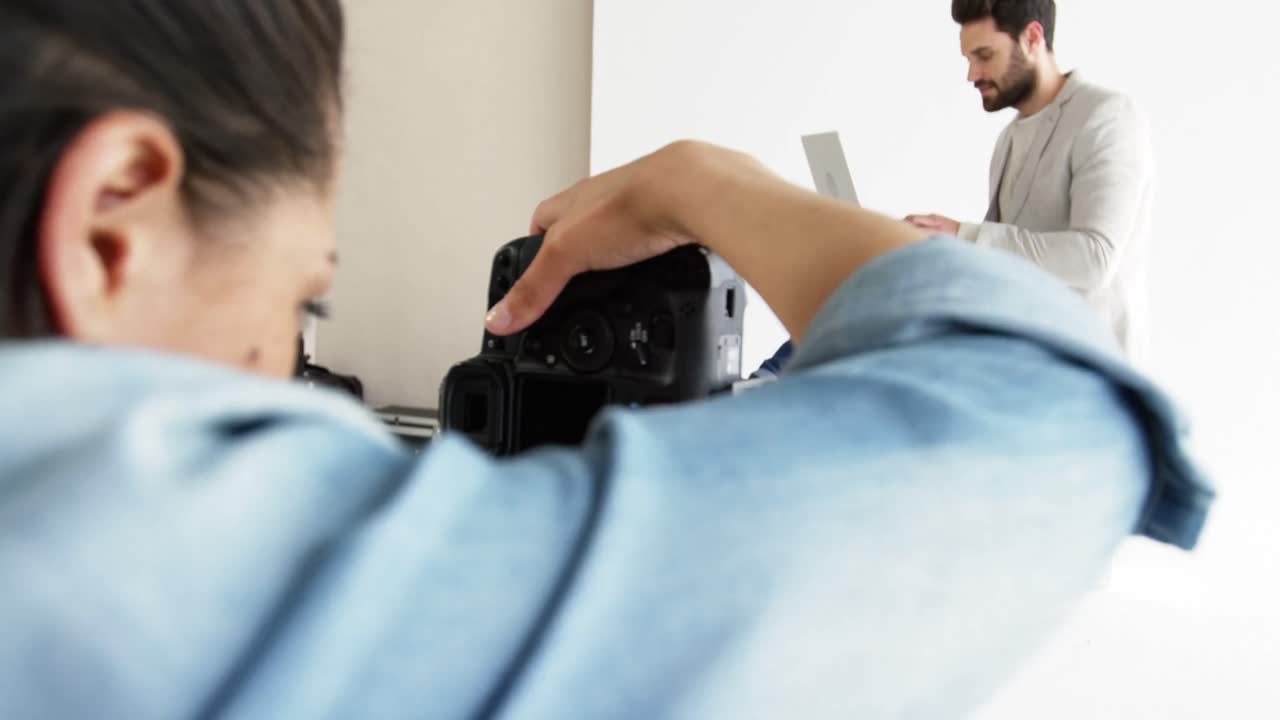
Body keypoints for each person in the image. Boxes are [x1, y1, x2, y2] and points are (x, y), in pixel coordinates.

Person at [0, 2, 1211, 718]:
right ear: (110, 230)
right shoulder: (138, 556)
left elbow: (1092, 258)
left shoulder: (1104, 120)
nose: (284, 365)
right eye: (296, 300)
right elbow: (1048, 421)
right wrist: (709, 183)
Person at [906, 0, 1155, 360]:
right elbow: (1004, 263)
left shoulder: (1106, 116)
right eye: (968, 59)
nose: (972, 74)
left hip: (1092, 373)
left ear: (1032, 38)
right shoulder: (1008, 140)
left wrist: (964, 235)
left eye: (984, 55)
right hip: (1025, 366)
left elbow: (1094, 258)